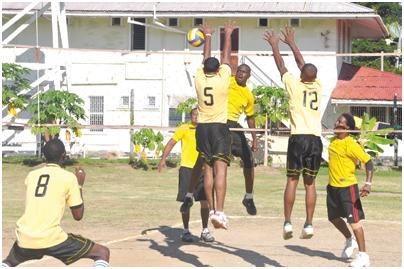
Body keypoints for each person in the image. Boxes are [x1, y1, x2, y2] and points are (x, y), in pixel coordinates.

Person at [2, 139, 110, 267]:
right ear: (63, 156)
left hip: (25, 237)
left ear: (44, 156)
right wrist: (79, 184)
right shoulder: (69, 177)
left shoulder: (31, 175)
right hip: (51, 238)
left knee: (8, 262)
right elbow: (78, 215)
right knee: (102, 253)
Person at [264, 26, 323, 239]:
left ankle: (288, 222)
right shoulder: (318, 85)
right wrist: (293, 43)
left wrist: (275, 45)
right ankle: (308, 224)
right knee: (310, 184)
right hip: (316, 139)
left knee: (292, 181)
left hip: (299, 138)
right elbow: (303, 65)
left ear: (301, 75)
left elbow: (282, 65)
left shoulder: (294, 85)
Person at [193, 21, 235, 229]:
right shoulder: (223, 79)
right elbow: (226, 56)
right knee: (222, 171)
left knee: (207, 171)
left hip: (202, 129)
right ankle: (220, 211)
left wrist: (207, 36)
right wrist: (227, 34)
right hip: (218, 127)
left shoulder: (199, 79)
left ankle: (211, 210)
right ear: (219, 69)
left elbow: (205, 59)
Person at [158, 108, 214, 243]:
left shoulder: (207, 130)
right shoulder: (184, 128)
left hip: (203, 169)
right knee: (186, 201)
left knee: (205, 202)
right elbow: (172, 142)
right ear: (191, 116)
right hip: (187, 169)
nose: (196, 117)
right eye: (194, 115)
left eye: (199, 115)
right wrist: (163, 159)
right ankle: (186, 231)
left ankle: (205, 230)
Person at [327, 113, 373, 267]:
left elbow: (368, 162)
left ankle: (363, 256)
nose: (336, 122)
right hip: (332, 188)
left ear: (347, 128)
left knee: (354, 222)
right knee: (333, 218)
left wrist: (368, 183)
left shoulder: (351, 144)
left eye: (340, 121)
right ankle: (349, 239)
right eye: (337, 120)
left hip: (348, 189)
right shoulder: (333, 142)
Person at [227, 63, 258, 215]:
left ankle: (249, 197)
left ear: (248, 76)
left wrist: (254, 138)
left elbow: (250, 117)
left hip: (234, 125)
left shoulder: (248, 95)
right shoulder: (228, 80)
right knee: (214, 162)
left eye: (244, 72)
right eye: (239, 70)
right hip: (218, 122)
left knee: (249, 159)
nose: (240, 73)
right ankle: (193, 194)